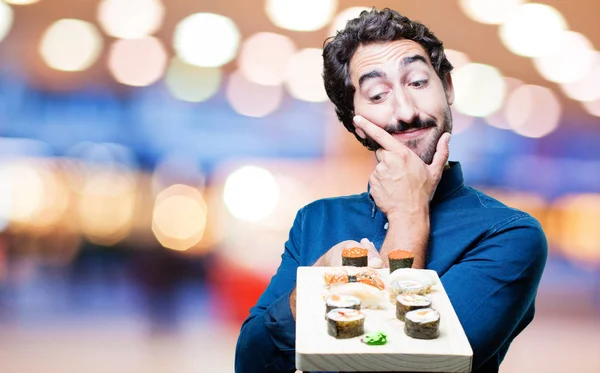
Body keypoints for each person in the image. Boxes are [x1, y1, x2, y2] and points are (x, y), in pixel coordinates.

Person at [234, 7, 547, 373]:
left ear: (447, 87)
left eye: (417, 82)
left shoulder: (510, 234)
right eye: (378, 94)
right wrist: (317, 286)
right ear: (357, 124)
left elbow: (406, 366)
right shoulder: (316, 219)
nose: (405, 111)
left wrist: (408, 215)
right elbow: (252, 361)